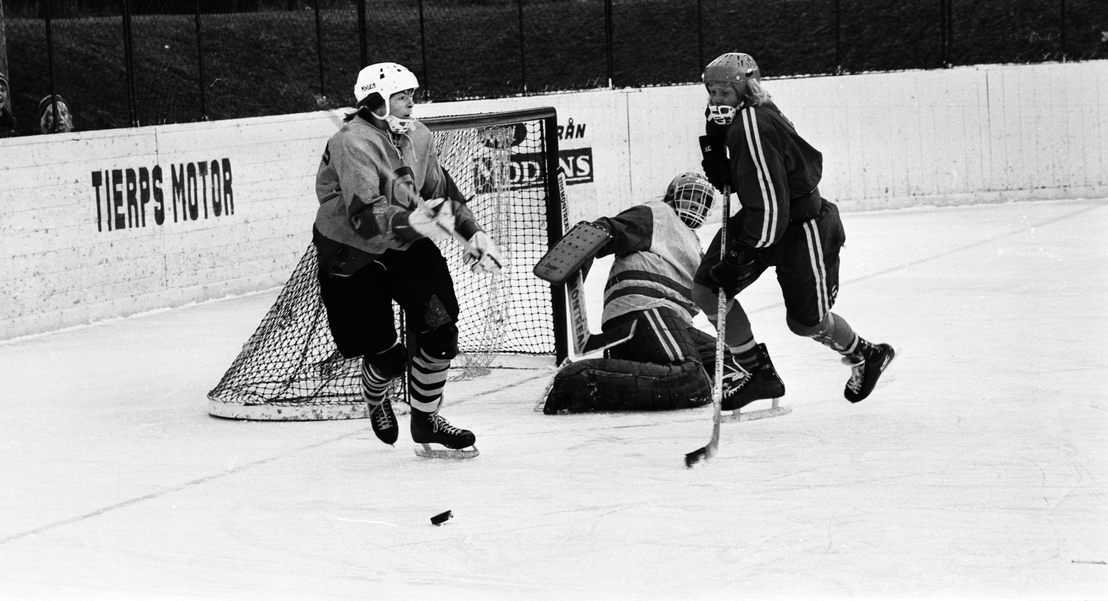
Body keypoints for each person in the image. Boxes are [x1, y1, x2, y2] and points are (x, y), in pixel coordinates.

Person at [313, 61, 504, 457]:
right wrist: (413, 220)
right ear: (375, 102)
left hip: (406, 243)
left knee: (440, 332)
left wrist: (474, 233)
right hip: (351, 255)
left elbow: (442, 191)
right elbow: (365, 219)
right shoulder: (352, 142)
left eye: (411, 96)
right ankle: (375, 395)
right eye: (401, 97)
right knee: (388, 354)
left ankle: (426, 419)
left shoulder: (419, 135)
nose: (411, 104)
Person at [693, 51, 895, 411]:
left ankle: (867, 354)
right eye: (711, 91)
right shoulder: (735, 117)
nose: (715, 100)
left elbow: (773, 203)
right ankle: (758, 373)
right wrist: (720, 162)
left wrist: (741, 254)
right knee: (707, 291)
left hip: (801, 228)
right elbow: (759, 185)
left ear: (745, 89)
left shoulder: (753, 123)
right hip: (765, 221)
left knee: (805, 323)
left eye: (723, 92)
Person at [542, 172, 736, 414]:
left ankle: (621, 364)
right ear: (673, 196)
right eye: (690, 196)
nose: (695, 204)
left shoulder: (694, 244)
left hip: (671, 319)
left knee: (731, 365)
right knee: (690, 380)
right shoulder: (658, 214)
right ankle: (581, 379)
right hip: (645, 307)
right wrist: (579, 250)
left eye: (702, 201)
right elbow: (611, 229)